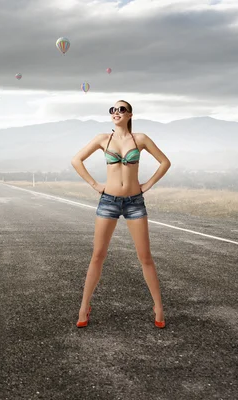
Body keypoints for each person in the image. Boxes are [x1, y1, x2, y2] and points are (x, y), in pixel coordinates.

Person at [70, 100, 171, 329]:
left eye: (121, 109)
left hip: (135, 202)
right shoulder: (102, 139)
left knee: (145, 257)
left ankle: (158, 307)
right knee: (98, 255)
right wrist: (95, 185)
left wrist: (148, 184)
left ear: (130, 114)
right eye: (113, 110)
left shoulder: (141, 139)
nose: (116, 112)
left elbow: (165, 162)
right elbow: (76, 160)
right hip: (108, 201)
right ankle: (84, 306)